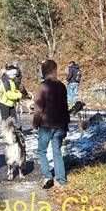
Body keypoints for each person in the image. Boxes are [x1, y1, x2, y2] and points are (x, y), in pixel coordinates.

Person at [33, 59, 70, 190]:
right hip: (60, 124)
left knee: (42, 151)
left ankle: (48, 176)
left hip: (46, 125)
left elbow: (38, 109)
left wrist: (35, 124)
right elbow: (65, 107)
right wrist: (66, 124)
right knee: (57, 151)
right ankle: (61, 180)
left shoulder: (42, 87)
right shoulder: (62, 86)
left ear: (43, 72)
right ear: (55, 71)